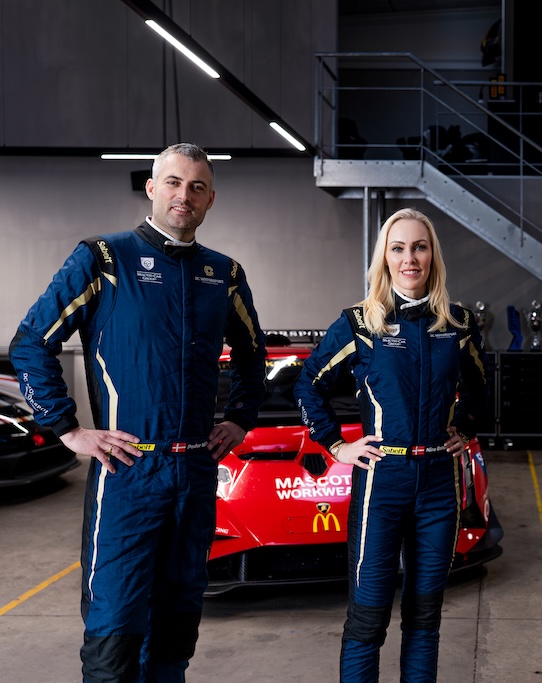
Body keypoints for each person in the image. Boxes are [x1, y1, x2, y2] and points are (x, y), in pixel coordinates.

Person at [8, 143, 267, 682]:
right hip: (127, 472)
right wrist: (67, 428)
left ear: (211, 199)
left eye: (197, 187)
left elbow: (252, 355)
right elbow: (31, 341)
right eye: (173, 182)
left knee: (175, 633)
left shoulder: (223, 273)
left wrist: (241, 417)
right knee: (113, 639)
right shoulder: (103, 259)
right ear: (151, 188)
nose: (184, 195)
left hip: (194, 474)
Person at [293, 207, 487, 683]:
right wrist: (336, 445)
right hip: (383, 484)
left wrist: (464, 426)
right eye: (398, 248)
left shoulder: (457, 324)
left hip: (438, 485)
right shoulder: (361, 323)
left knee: (425, 618)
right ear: (384, 257)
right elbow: (308, 385)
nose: (409, 259)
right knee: (368, 617)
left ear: (433, 255)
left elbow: (480, 387)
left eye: (419, 247)